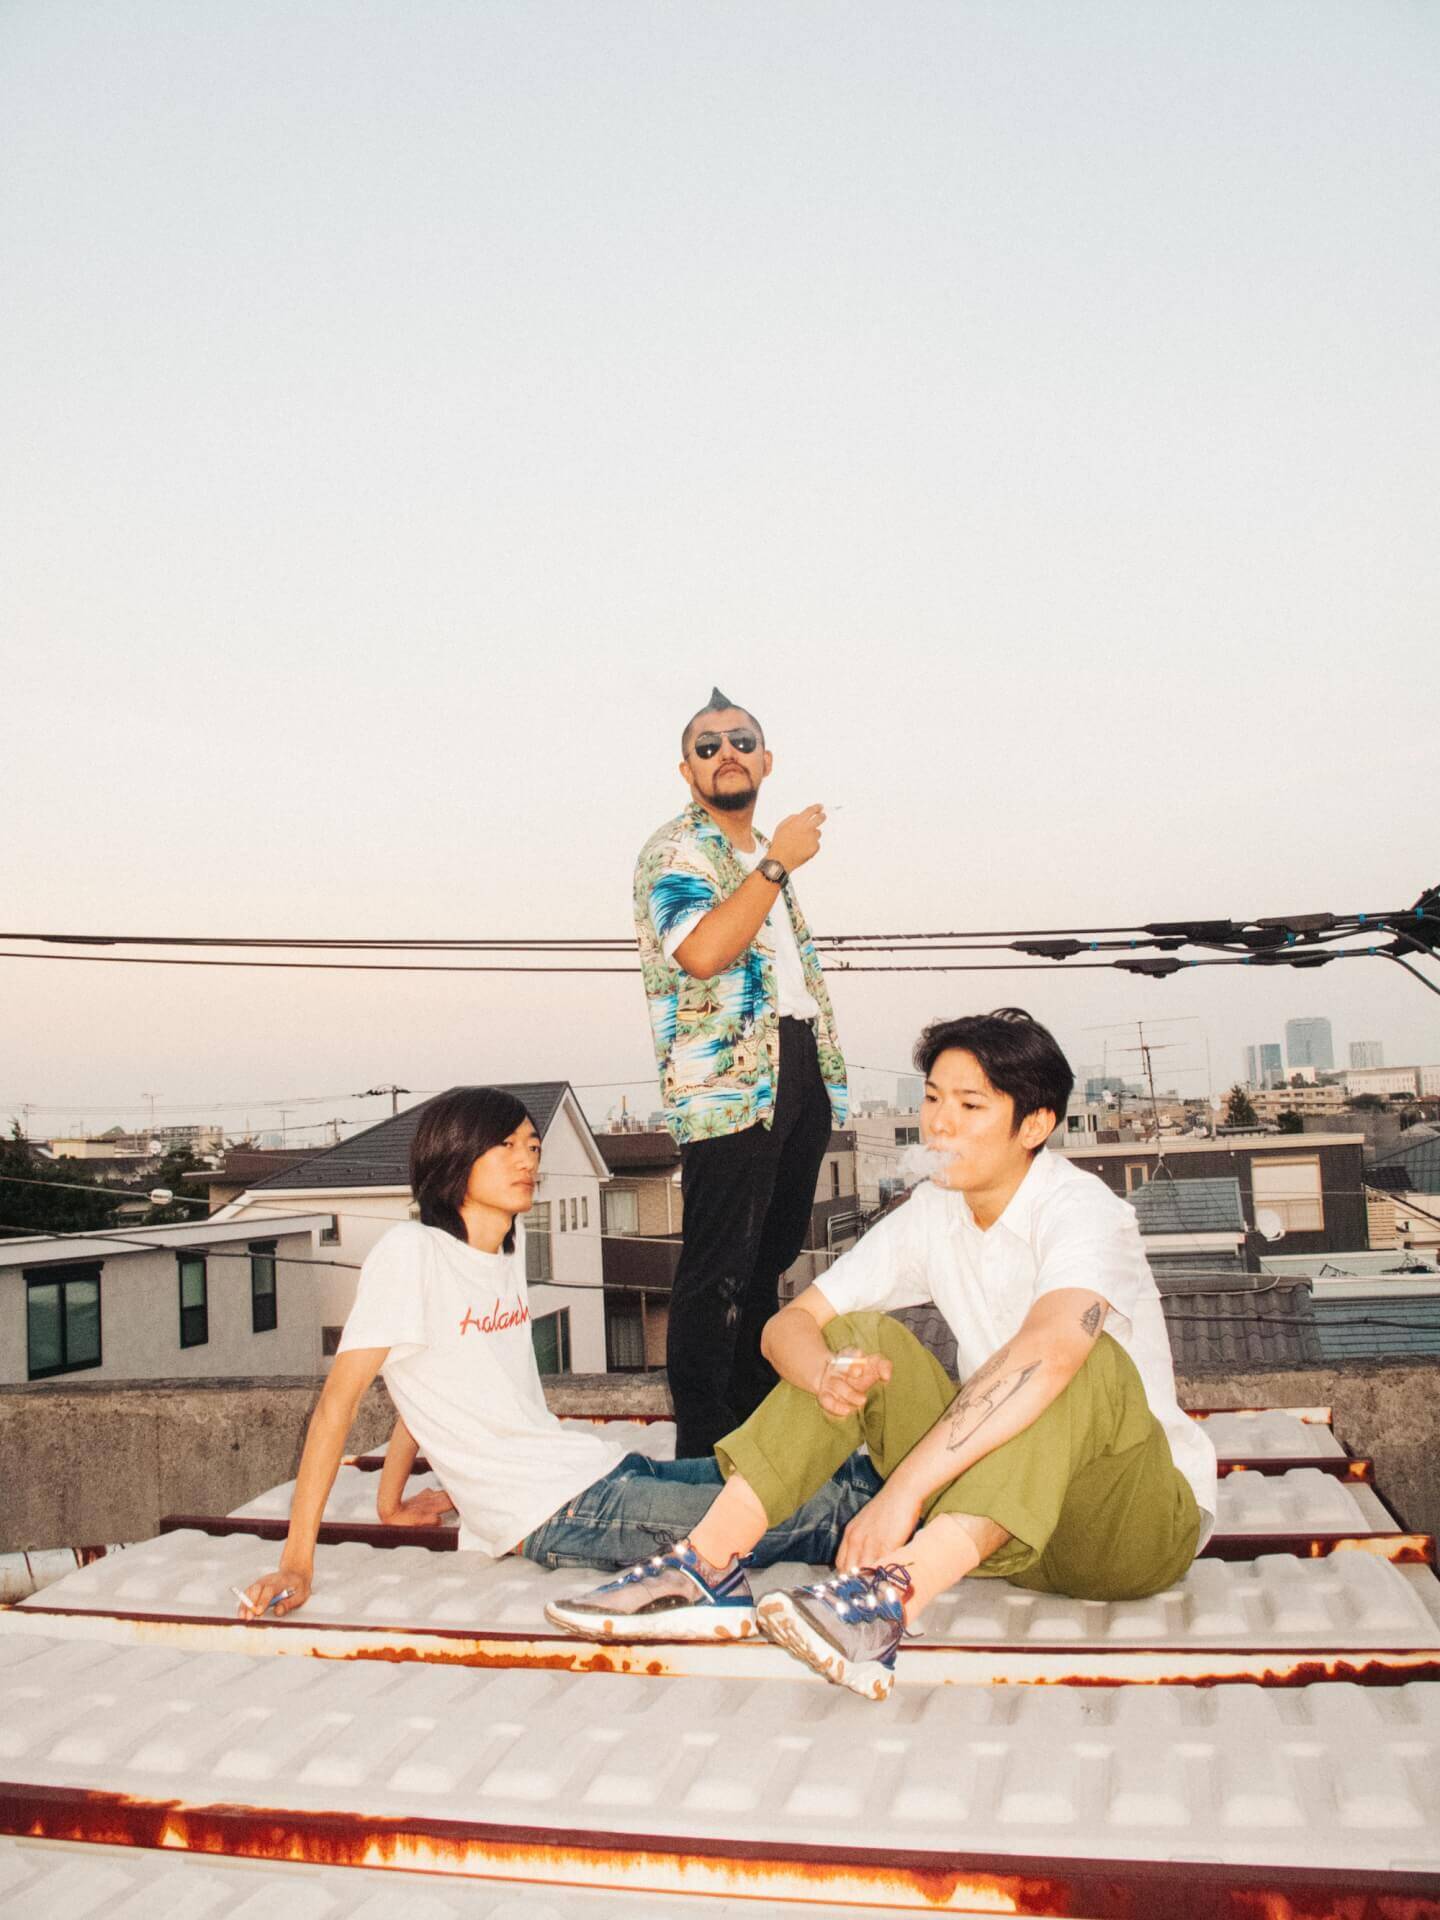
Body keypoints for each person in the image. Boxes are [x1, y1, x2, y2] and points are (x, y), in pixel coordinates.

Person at [548, 1010, 1218, 1701]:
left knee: (1081, 1359)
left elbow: (1050, 1352)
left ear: (1035, 1126)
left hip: (1126, 1528)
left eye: (970, 1105)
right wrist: (826, 1375)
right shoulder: (935, 1213)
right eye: (932, 1098)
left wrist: (902, 1493)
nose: (939, 1124)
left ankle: (890, 1597)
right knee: (857, 1337)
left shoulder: (1080, 1208)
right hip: (1001, 1531)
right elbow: (786, 1327)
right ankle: (707, 1566)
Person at [238, 1086, 879, 1626]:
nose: (527, 1160)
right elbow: (337, 1407)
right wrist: (297, 1562)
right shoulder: (409, 1254)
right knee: (811, 1516)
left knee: (792, 1472)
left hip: (593, 1469)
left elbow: (436, 1373)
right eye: (506, 1146)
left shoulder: (505, 1246)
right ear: (452, 1155)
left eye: (532, 1146)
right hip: (554, 1511)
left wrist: (391, 1501)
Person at [634, 688, 847, 1456]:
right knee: (717, 1272)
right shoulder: (676, 851)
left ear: (766, 760)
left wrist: (771, 860)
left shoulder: (758, 856)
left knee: (765, 1268)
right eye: (708, 745)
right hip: (729, 1083)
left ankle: (756, 1447)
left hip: (795, 1064)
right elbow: (701, 951)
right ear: (685, 770)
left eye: (741, 740)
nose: (726, 752)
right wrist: (779, 861)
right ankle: (703, 1457)